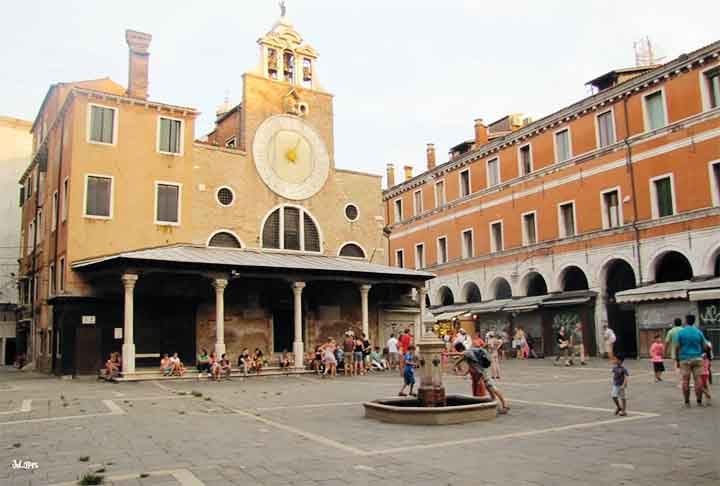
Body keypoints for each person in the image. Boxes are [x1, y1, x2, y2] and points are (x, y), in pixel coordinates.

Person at [449, 346, 509, 414]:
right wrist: (457, 368)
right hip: (482, 374)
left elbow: (458, 354)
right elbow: (463, 362)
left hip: (483, 374)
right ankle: (496, 406)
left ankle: (504, 404)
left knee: (492, 388)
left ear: (461, 349)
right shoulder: (467, 356)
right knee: (490, 390)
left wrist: (445, 354)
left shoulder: (467, 352)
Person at [675, 315, 711, 407]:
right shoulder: (698, 332)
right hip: (697, 358)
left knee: (685, 380)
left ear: (686, 321)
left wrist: (677, 359)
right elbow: (705, 346)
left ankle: (687, 402)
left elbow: (677, 347)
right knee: (698, 379)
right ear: (694, 321)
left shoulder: (681, 332)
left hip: (684, 359)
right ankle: (699, 401)